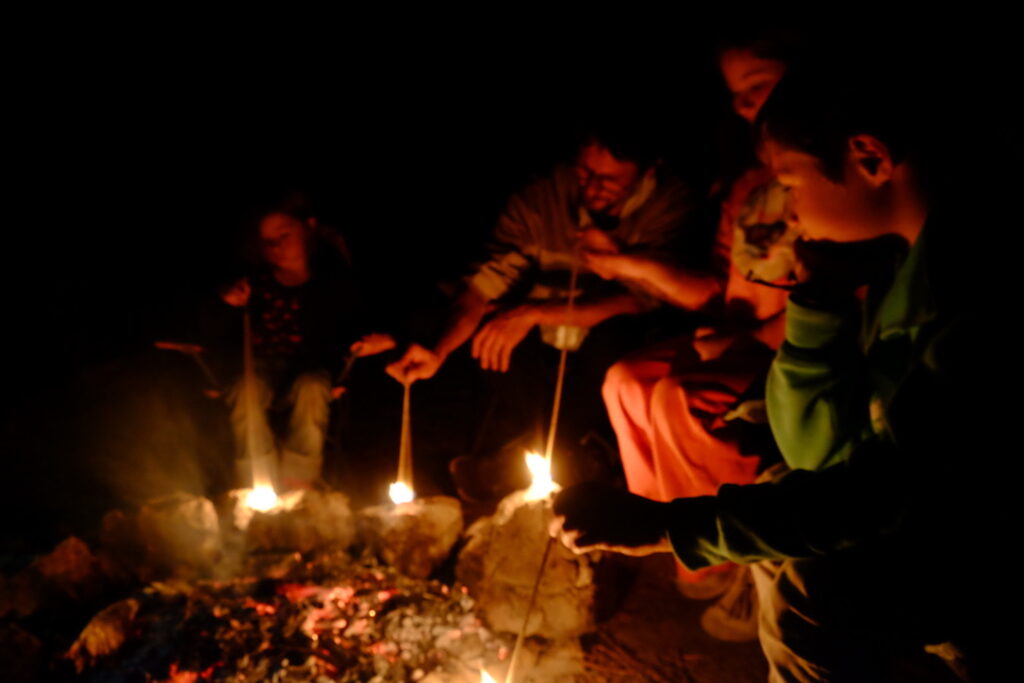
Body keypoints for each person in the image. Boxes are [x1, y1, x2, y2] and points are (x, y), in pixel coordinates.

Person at [552, 52, 1005, 681]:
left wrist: (666, 525)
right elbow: (816, 452)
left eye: (791, 185)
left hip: (979, 556)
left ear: (870, 159)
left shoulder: (971, 295)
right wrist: (817, 308)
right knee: (777, 496)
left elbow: (875, 496)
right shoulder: (890, 269)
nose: (790, 213)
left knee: (813, 585)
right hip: (920, 523)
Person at [386, 128, 704, 499]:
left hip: (612, 339)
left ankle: (545, 460)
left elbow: (644, 300)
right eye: (585, 172)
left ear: (646, 171)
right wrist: (438, 350)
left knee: (616, 340)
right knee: (491, 334)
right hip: (543, 340)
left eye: (609, 180)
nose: (592, 187)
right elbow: (485, 282)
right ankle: (566, 456)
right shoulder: (542, 197)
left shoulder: (670, 203)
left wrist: (536, 311)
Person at [596, 33, 798, 612]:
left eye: (757, 86)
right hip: (740, 336)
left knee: (678, 399)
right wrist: (625, 263)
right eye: (734, 94)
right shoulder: (750, 186)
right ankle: (657, 526)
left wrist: (745, 338)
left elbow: (838, 300)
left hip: (785, 345)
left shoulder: (818, 178)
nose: (743, 104)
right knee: (625, 381)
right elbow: (716, 286)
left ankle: (726, 551)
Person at [213, 193, 394, 490]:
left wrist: (364, 356)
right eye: (268, 241)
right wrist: (227, 302)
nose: (276, 247)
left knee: (311, 388)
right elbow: (218, 332)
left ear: (308, 227)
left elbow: (358, 330)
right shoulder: (253, 283)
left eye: (283, 235)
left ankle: (298, 480)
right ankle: (256, 480)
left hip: (312, 368)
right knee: (247, 390)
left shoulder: (334, 281)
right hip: (259, 367)